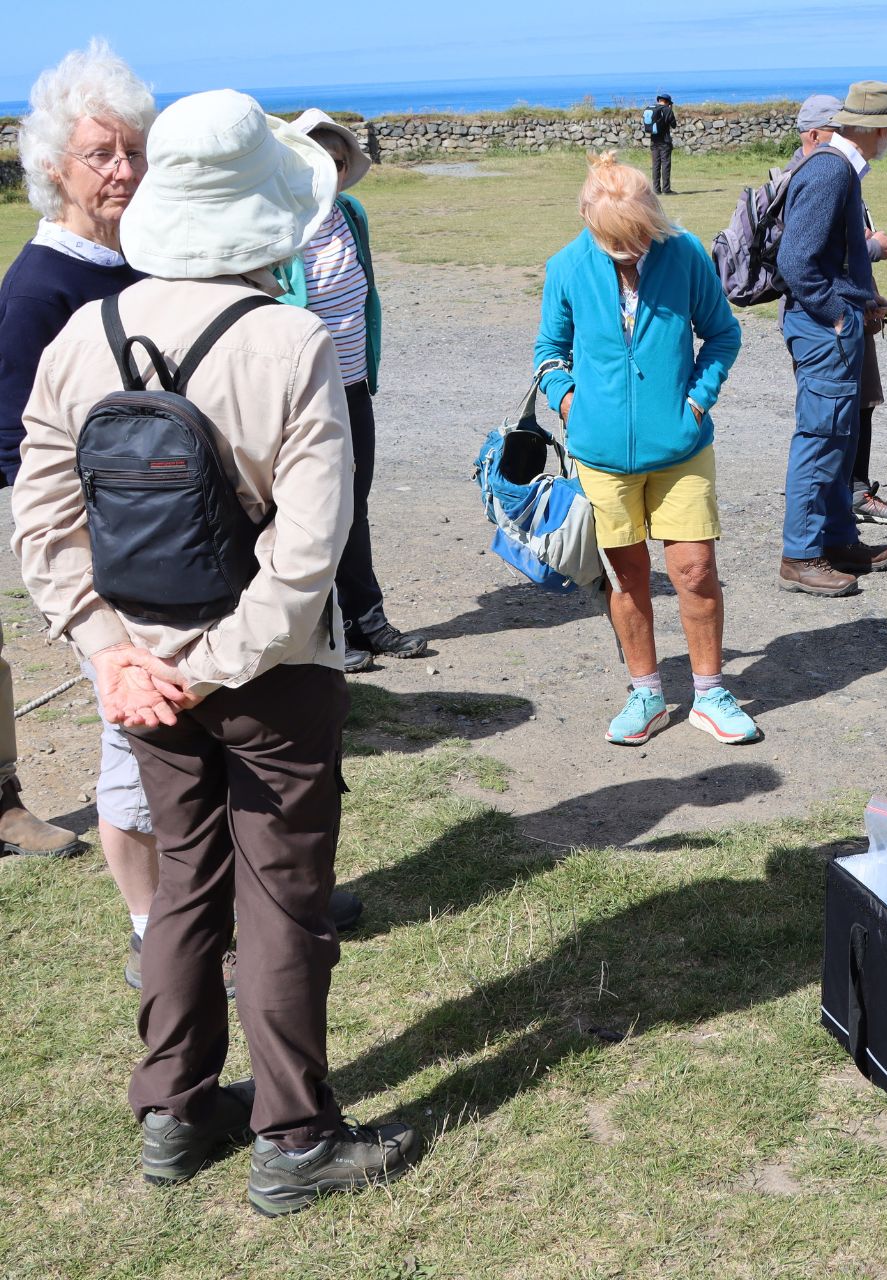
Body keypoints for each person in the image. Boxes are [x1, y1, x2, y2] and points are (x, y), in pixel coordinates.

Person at [12, 89, 417, 1214]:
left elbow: (42, 525)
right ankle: (294, 1136)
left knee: (186, 877)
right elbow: (309, 549)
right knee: (283, 896)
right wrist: (217, 658)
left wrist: (113, 656)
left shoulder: (81, 338)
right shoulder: (291, 341)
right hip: (269, 670)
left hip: (143, 667)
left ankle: (173, 1107)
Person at [534, 152, 760, 746]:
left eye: (640, 240)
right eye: (619, 244)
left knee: (695, 570)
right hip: (600, 457)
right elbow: (549, 352)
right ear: (589, 221)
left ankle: (710, 692)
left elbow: (723, 333)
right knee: (626, 579)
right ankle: (647, 694)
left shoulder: (683, 254)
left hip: (681, 448)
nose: (632, 254)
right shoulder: (565, 267)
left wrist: (697, 401)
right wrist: (568, 403)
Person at [0, 40, 144, 868]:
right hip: (97, 535)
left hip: (149, 521)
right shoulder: (40, 287)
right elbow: (21, 443)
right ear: (57, 168)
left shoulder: (134, 261)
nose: (121, 170)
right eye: (100, 154)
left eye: (132, 151)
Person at [277, 109, 427, 674]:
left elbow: (366, 299)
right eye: (319, 161)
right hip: (302, 393)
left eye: (339, 163)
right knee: (312, 508)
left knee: (354, 502)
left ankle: (367, 619)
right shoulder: (279, 224)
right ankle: (328, 628)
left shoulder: (350, 215)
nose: (331, 173)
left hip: (353, 384)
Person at [772, 80, 887, 597]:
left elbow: (831, 258)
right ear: (873, 128)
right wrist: (838, 314)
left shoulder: (836, 166)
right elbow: (795, 262)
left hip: (836, 324)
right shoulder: (832, 169)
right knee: (821, 438)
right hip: (823, 330)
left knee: (840, 438)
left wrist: (860, 299)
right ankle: (801, 554)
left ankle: (835, 540)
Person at [647, 93, 677, 194]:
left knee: (655, 165)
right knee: (665, 165)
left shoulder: (651, 109)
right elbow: (674, 125)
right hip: (665, 142)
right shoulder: (667, 110)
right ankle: (666, 189)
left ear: (659, 100)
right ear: (668, 102)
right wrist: (670, 110)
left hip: (654, 141)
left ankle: (656, 189)